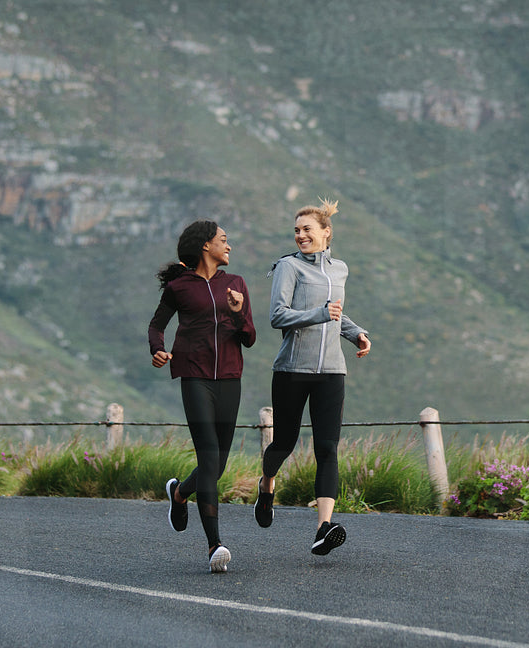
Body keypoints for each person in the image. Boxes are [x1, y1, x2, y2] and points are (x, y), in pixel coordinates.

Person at [255, 199, 371, 556]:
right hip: (292, 370)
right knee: (283, 443)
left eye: (307, 229)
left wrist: (356, 333)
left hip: (332, 371)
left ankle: (324, 527)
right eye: (296, 230)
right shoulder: (288, 267)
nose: (300, 235)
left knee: (327, 448)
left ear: (326, 232)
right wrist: (320, 313)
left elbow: (337, 313)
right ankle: (266, 485)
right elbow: (278, 315)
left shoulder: (340, 270)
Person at [148, 220, 256, 573]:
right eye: (223, 240)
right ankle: (215, 545)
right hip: (194, 376)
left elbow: (250, 338)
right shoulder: (179, 287)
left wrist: (238, 313)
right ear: (205, 245)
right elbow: (157, 325)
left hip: (230, 378)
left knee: (218, 466)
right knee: (209, 459)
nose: (229, 245)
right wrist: (158, 349)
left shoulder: (236, 284)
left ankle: (180, 493)